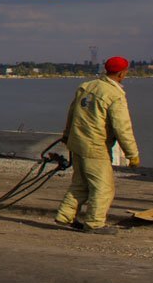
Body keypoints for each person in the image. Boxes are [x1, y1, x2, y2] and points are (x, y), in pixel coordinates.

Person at [54, 56, 140, 235]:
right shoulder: (114, 94)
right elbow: (122, 127)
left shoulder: (86, 87)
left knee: (80, 184)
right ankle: (94, 223)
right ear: (121, 73)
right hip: (95, 146)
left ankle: (65, 216)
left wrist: (67, 135)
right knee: (103, 188)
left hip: (77, 143)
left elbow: (72, 113)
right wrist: (132, 154)